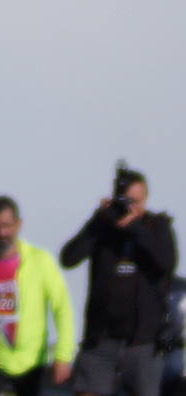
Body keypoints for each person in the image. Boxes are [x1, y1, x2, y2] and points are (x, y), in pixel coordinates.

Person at [59, 165, 178, 396]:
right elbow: (68, 258)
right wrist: (96, 223)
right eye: (126, 201)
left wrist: (136, 229)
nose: (130, 208)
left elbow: (166, 264)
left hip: (142, 343)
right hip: (101, 339)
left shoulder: (156, 226)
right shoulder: (101, 227)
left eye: (137, 201)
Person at [0, 196, 75, 396]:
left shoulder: (40, 260)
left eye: (7, 226)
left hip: (31, 359)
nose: (2, 233)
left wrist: (63, 354)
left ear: (18, 224)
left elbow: (62, 308)